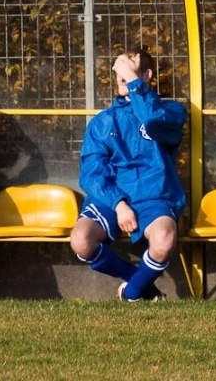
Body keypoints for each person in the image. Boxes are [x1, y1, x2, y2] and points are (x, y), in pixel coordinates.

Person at [69, 47, 186, 301]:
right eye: (119, 70)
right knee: (80, 240)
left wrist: (134, 84)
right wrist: (118, 204)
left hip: (153, 195)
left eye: (130, 68)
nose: (122, 74)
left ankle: (132, 292)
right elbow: (91, 173)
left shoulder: (172, 112)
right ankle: (143, 285)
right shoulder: (102, 121)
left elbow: (152, 120)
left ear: (147, 75)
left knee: (164, 240)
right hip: (112, 197)